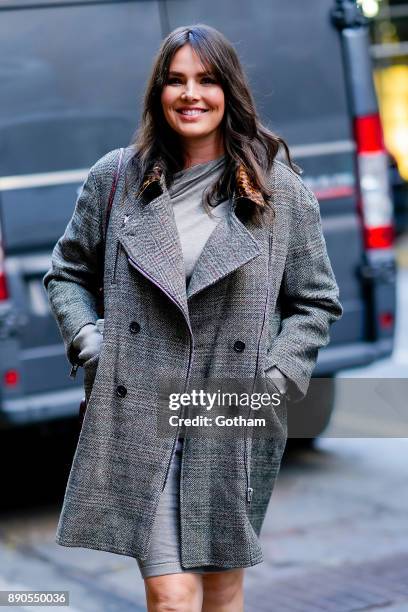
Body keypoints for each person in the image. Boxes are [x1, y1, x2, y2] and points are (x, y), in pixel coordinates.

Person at [43, 23, 343, 612]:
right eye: (175, 81)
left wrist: (276, 379)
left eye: (206, 80)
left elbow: (316, 300)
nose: (191, 94)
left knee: (223, 590)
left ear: (229, 90)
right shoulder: (118, 179)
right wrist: (90, 340)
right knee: (171, 595)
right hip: (141, 411)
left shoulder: (277, 189)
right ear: (158, 93)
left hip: (231, 412)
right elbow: (67, 272)